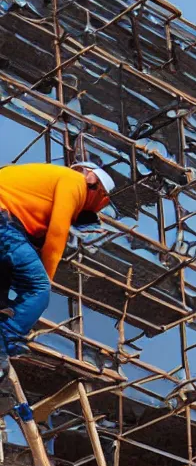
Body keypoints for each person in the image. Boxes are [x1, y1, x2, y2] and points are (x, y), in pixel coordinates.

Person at [0, 161, 115, 376]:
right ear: (96, 185)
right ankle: (3, 342)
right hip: (4, 222)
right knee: (38, 288)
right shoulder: (74, 182)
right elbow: (56, 235)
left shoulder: (42, 180)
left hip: (8, 225)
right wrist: (46, 281)